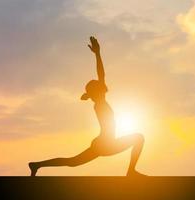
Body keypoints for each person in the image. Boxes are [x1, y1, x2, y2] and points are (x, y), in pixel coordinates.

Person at [29, 36, 145, 177]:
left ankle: (36, 165)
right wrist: (97, 54)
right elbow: (101, 74)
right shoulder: (100, 102)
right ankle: (131, 171)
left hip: (104, 143)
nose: (103, 85)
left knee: (72, 162)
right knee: (138, 138)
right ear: (98, 91)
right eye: (99, 86)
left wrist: (88, 94)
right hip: (106, 144)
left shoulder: (99, 102)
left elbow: (100, 79)